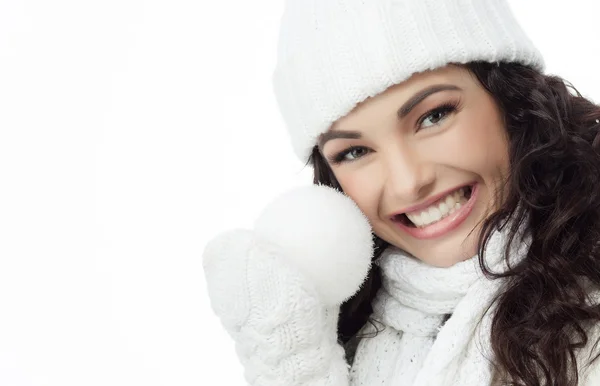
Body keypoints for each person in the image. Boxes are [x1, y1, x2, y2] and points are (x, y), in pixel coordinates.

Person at [203, 0, 600, 385]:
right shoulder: (347, 335)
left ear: (510, 101)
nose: (408, 182)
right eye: (355, 152)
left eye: (434, 116)